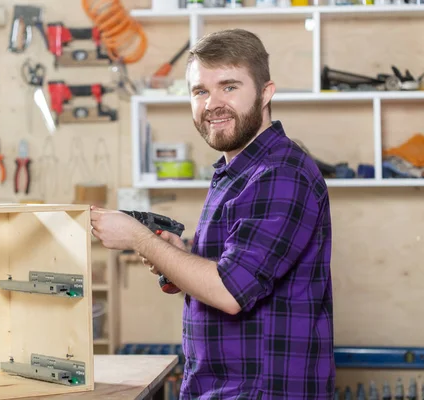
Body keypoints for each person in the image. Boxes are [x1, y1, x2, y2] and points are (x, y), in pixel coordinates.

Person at [90, 28, 335, 399]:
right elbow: (232, 267)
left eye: (229, 87)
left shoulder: (281, 174)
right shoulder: (236, 171)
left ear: (266, 92)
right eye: (200, 91)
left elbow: (230, 291)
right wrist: (178, 255)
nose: (212, 104)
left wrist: (138, 238)